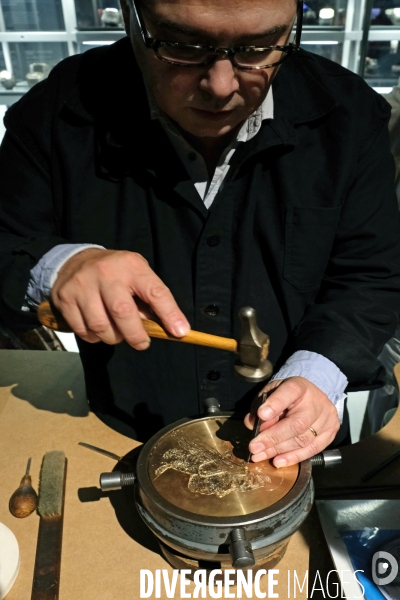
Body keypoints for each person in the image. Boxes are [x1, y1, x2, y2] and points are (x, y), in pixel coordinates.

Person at [0, 0, 399, 468]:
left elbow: (372, 276)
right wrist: (56, 267)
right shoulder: (56, 112)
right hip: (120, 433)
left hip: (287, 444)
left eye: (259, 47)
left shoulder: (348, 117)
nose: (221, 86)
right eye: (182, 45)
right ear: (133, 17)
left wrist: (320, 369)